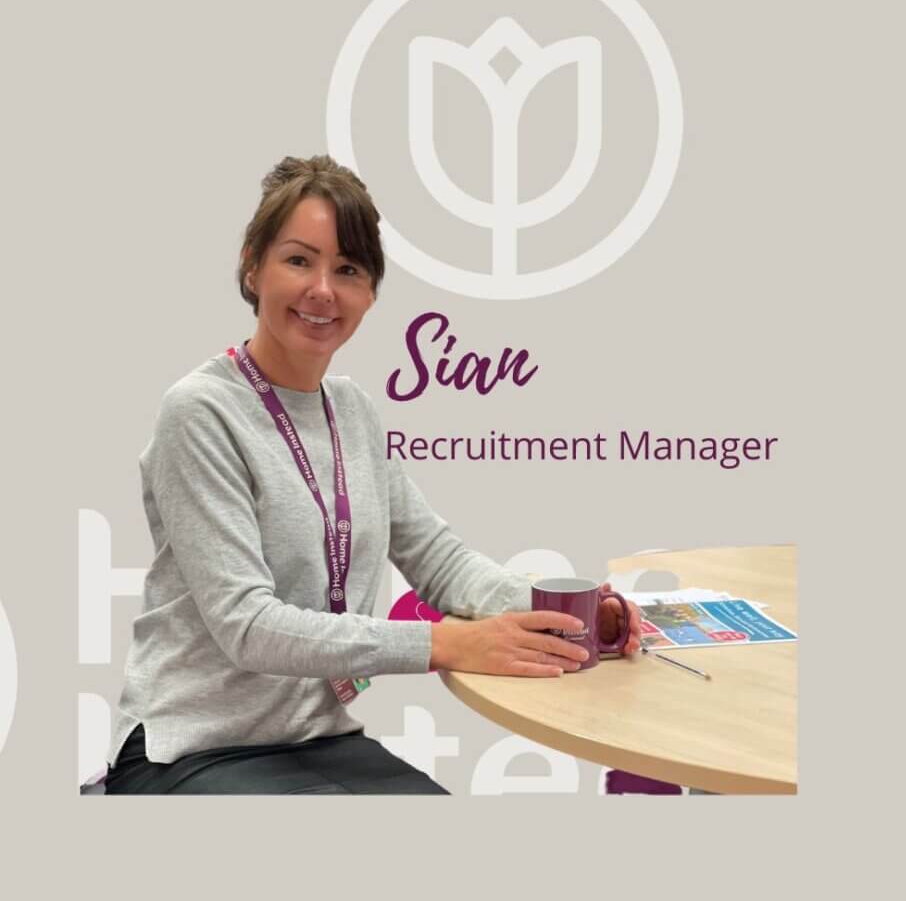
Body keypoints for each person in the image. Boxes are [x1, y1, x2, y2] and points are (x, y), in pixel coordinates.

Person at [104, 155, 642, 794]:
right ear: (253, 264)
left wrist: (569, 615)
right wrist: (444, 645)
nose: (323, 289)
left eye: (349, 269)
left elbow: (440, 561)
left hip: (318, 740)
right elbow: (246, 626)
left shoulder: (352, 412)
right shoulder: (200, 412)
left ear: (370, 293)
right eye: (299, 260)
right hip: (189, 749)